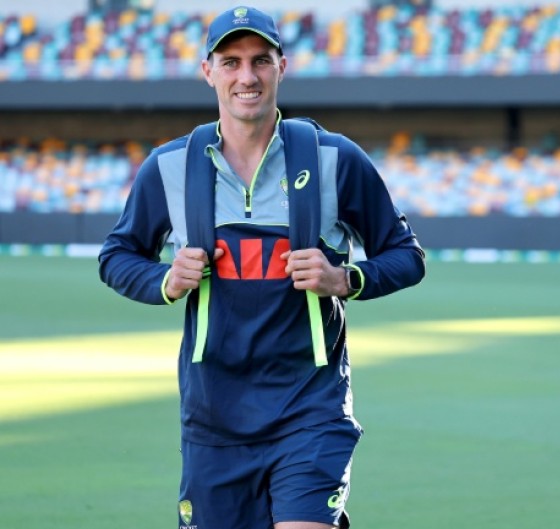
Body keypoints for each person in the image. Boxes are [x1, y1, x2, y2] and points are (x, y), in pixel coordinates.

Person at [98, 6, 425, 529]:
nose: (246, 76)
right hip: (213, 418)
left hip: (310, 408)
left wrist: (345, 279)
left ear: (282, 66)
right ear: (209, 72)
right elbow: (116, 257)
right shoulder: (169, 166)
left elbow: (407, 256)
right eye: (230, 62)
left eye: (260, 61)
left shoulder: (334, 159)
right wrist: (164, 279)